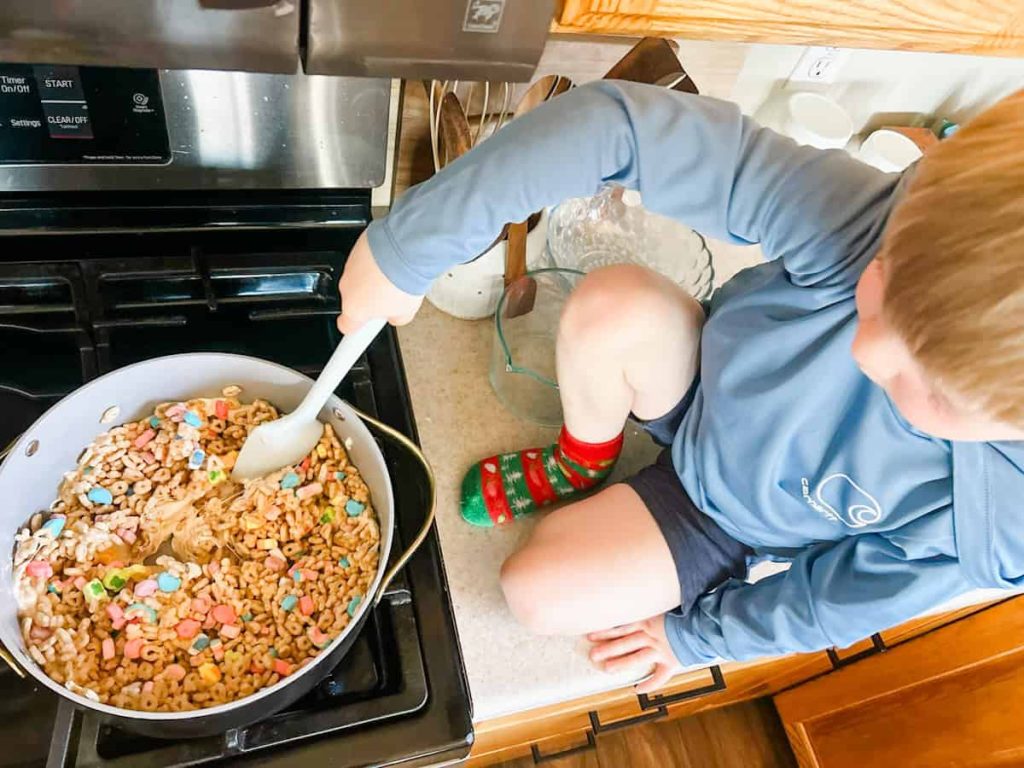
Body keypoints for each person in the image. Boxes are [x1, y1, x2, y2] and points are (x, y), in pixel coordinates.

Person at [337, 82, 1024, 693]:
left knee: (535, 594)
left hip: (730, 520)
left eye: (931, 391)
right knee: (612, 303)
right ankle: (583, 457)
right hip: (701, 388)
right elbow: (618, 129)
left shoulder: (995, 520)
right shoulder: (888, 221)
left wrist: (696, 637)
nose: (864, 350)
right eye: (881, 288)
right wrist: (410, 245)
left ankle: (700, 552)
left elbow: (838, 601)